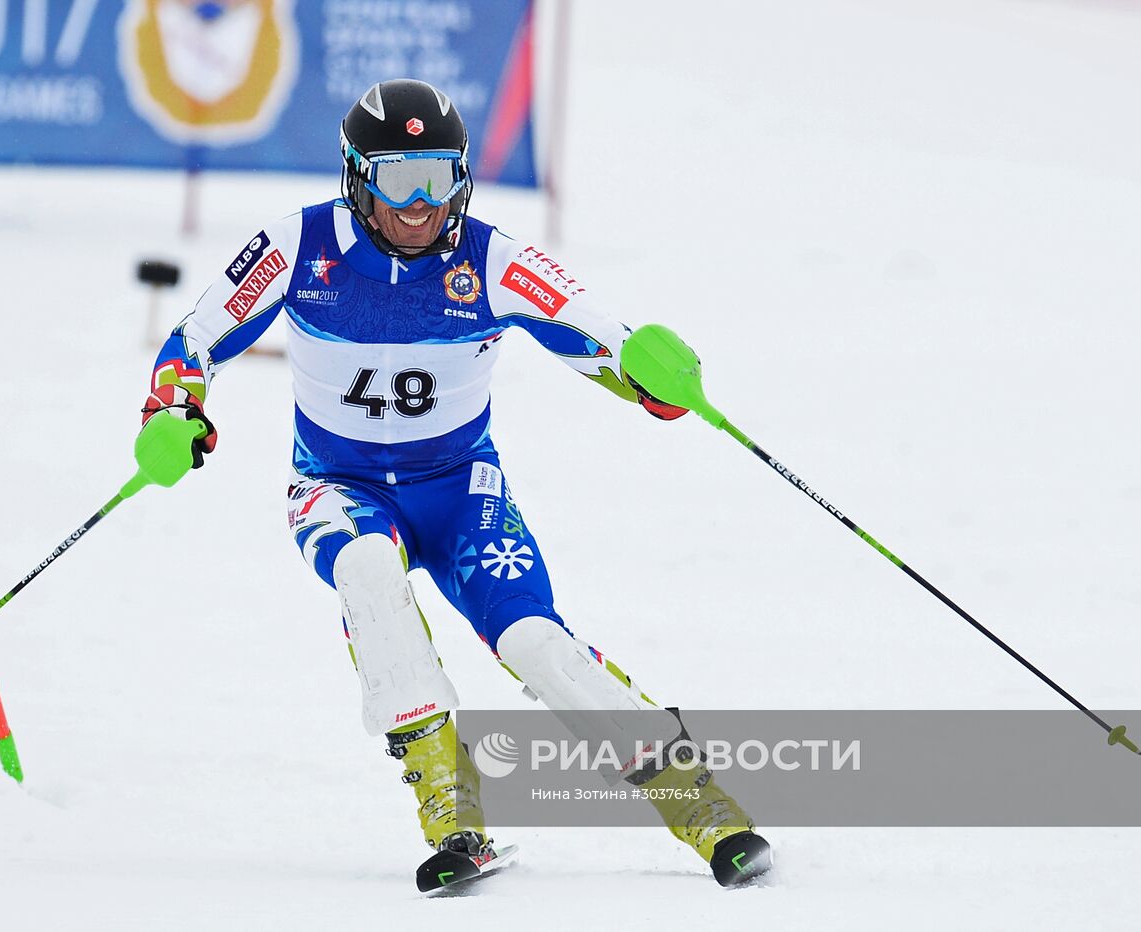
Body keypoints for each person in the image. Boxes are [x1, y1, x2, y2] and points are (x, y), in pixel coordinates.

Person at [139, 79, 772, 889]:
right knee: (367, 573)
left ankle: (705, 812)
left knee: (535, 643)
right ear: (356, 178)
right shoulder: (298, 246)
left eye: (438, 177)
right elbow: (198, 336)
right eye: (399, 180)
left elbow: (595, 329)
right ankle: (451, 811)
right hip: (338, 484)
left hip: (459, 488)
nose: (420, 203)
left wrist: (651, 372)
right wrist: (172, 408)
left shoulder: (492, 258)